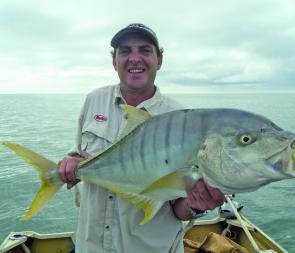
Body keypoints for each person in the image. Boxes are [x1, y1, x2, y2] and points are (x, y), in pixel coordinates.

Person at [59, 23, 224, 253]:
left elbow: (178, 208)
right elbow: (79, 151)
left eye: (145, 50)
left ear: (159, 60)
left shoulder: (181, 120)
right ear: (114, 60)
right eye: (125, 51)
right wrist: (72, 160)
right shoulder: (94, 100)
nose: (134, 58)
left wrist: (197, 205)